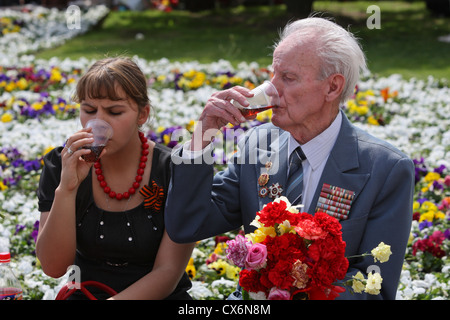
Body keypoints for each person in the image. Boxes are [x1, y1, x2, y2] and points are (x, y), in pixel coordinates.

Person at [165, 17, 415, 300]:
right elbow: (187, 224)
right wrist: (203, 135)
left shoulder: (385, 168)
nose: (271, 89)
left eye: (288, 77)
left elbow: (374, 289)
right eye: (273, 74)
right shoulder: (257, 144)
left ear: (332, 87)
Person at [36, 57, 194, 300]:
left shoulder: (174, 170)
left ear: (142, 115)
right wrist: (66, 189)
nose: (98, 122)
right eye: (88, 110)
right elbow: (53, 267)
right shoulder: (62, 163)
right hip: (86, 293)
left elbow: (168, 271)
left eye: (114, 111)